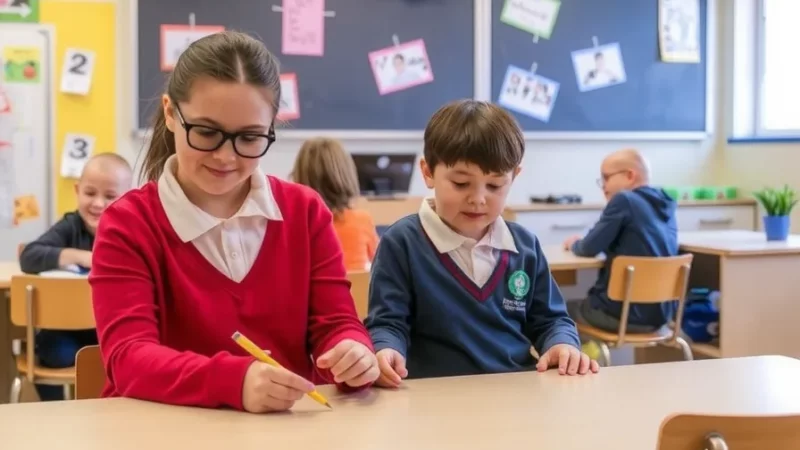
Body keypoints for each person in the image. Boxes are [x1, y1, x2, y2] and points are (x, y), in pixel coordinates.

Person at [89, 31, 379, 414]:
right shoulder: (127, 223)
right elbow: (128, 358)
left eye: (250, 137)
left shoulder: (305, 211)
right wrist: (234, 382)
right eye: (207, 132)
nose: (226, 156)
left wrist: (351, 351)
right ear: (171, 113)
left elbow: (334, 323)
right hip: (161, 431)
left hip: (283, 431)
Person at [365, 100, 599, 387]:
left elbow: (551, 320)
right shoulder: (402, 242)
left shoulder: (524, 246)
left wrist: (561, 344)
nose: (478, 198)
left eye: (495, 185)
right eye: (461, 184)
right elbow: (388, 323)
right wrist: (385, 349)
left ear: (514, 177)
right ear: (427, 173)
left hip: (515, 393)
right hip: (434, 399)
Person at [19, 152, 132, 401]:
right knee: (53, 352)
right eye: (90, 193)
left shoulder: (130, 233)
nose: (98, 204)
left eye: (110, 196)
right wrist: (81, 256)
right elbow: (29, 256)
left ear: (129, 197)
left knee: (124, 359)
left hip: (112, 331)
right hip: (66, 331)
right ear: (77, 190)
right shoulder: (70, 226)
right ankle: (55, 414)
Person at [563, 148, 679, 333]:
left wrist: (573, 244)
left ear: (630, 176)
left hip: (622, 314)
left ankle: (585, 361)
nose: (603, 186)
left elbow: (587, 248)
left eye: (606, 178)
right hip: (662, 316)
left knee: (556, 313)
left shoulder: (624, 200)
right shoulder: (666, 205)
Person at [290, 137, 379, 271]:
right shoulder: (362, 220)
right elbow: (382, 264)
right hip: (355, 291)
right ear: (347, 174)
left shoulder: (292, 225)